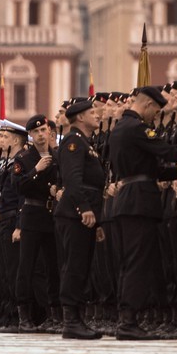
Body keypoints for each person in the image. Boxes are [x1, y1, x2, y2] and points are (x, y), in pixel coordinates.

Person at [107, 86, 177, 340]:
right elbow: (167, 152)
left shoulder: (120, 128)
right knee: (139, 262)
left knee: (130, 261)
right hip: (140, 201)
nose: (155, 117)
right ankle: (129, 321)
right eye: (155, 111)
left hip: (127, 199)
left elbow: (153, 168)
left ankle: (126, 316)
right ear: (149, 105)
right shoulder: (137, 128)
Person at [55, 98, 105, 340]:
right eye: (92, 112)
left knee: (82, 267)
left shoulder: (86, 142)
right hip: (75, 216)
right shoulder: (74, 142)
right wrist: (84, 209)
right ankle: (71, 321)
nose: (98, 115)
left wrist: (97, 220)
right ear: (81, 118)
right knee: (74, 267)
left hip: (85, 216)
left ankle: (77, 319)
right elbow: (72, 180)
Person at [13, 113, 61, 333]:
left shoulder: (57, 155)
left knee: (53, 266)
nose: (41, 135)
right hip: (32, 215)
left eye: (44, 130)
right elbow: (20, 187)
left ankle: (55, 314)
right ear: (30, 135)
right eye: (36, 132)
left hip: (52, 216)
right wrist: (36, 171)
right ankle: (24, 314)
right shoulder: (24, 159)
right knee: (27, 267)